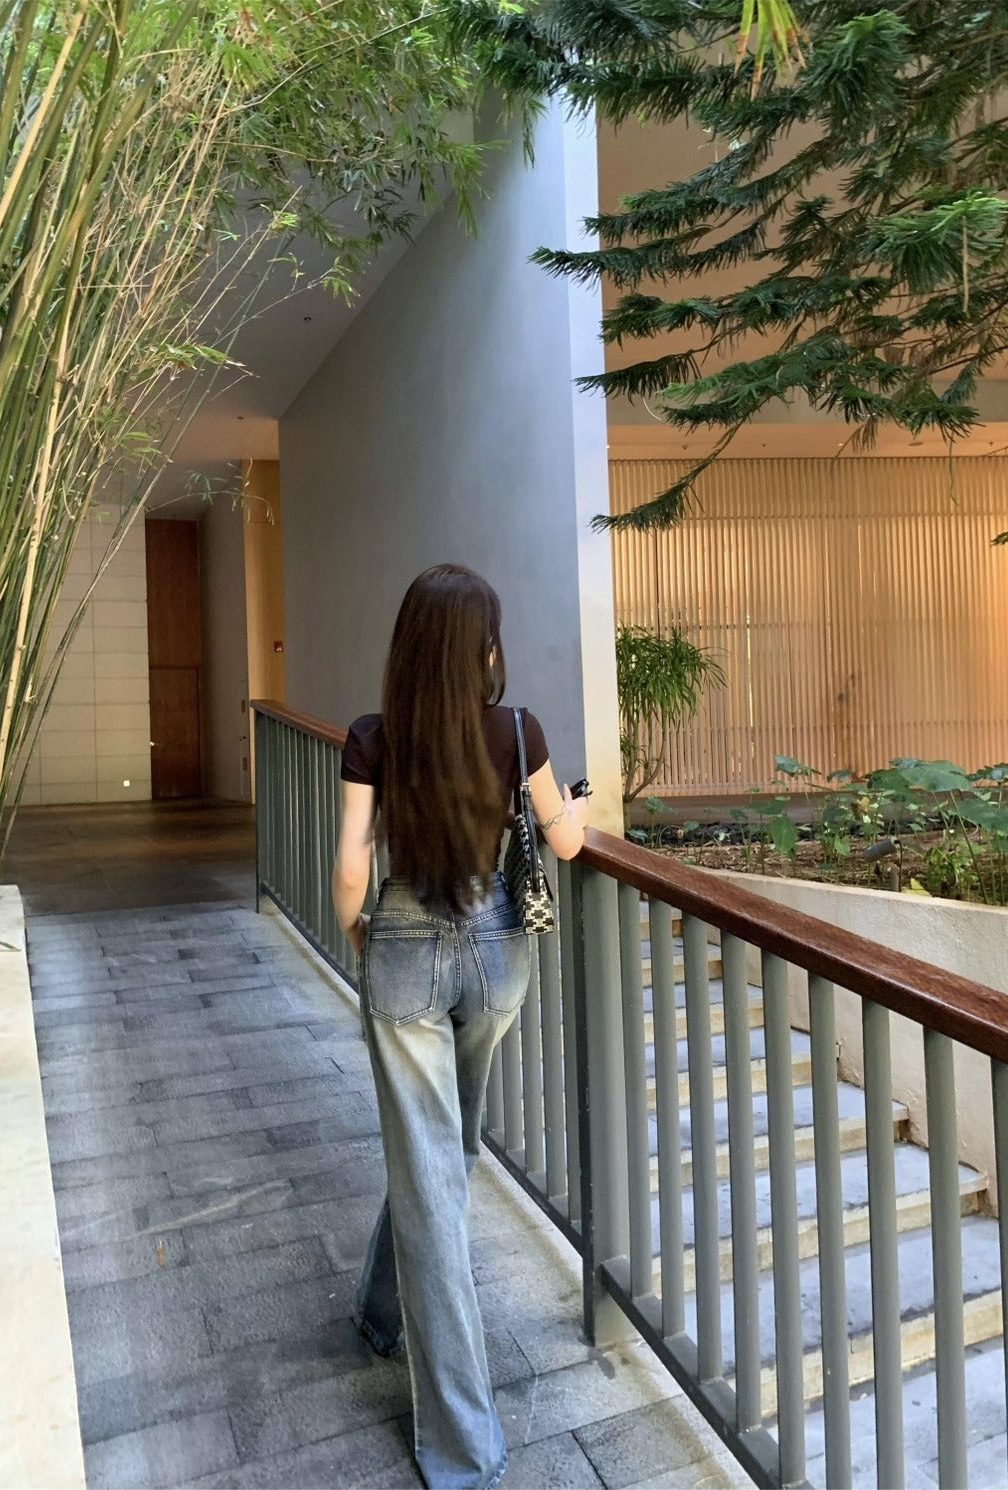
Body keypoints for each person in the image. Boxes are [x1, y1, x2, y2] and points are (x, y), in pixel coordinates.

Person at [331, 563, 588, 1490]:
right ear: (483, 650)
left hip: (403, 943)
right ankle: (388, 1325)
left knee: (433, 1159)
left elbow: (352, 872)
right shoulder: (519, 732)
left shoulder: (373, 738)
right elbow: (566, 841)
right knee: (446, 1149)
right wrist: (580, 807)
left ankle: (461, 1445)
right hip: (497, 954)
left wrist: (360, 935)